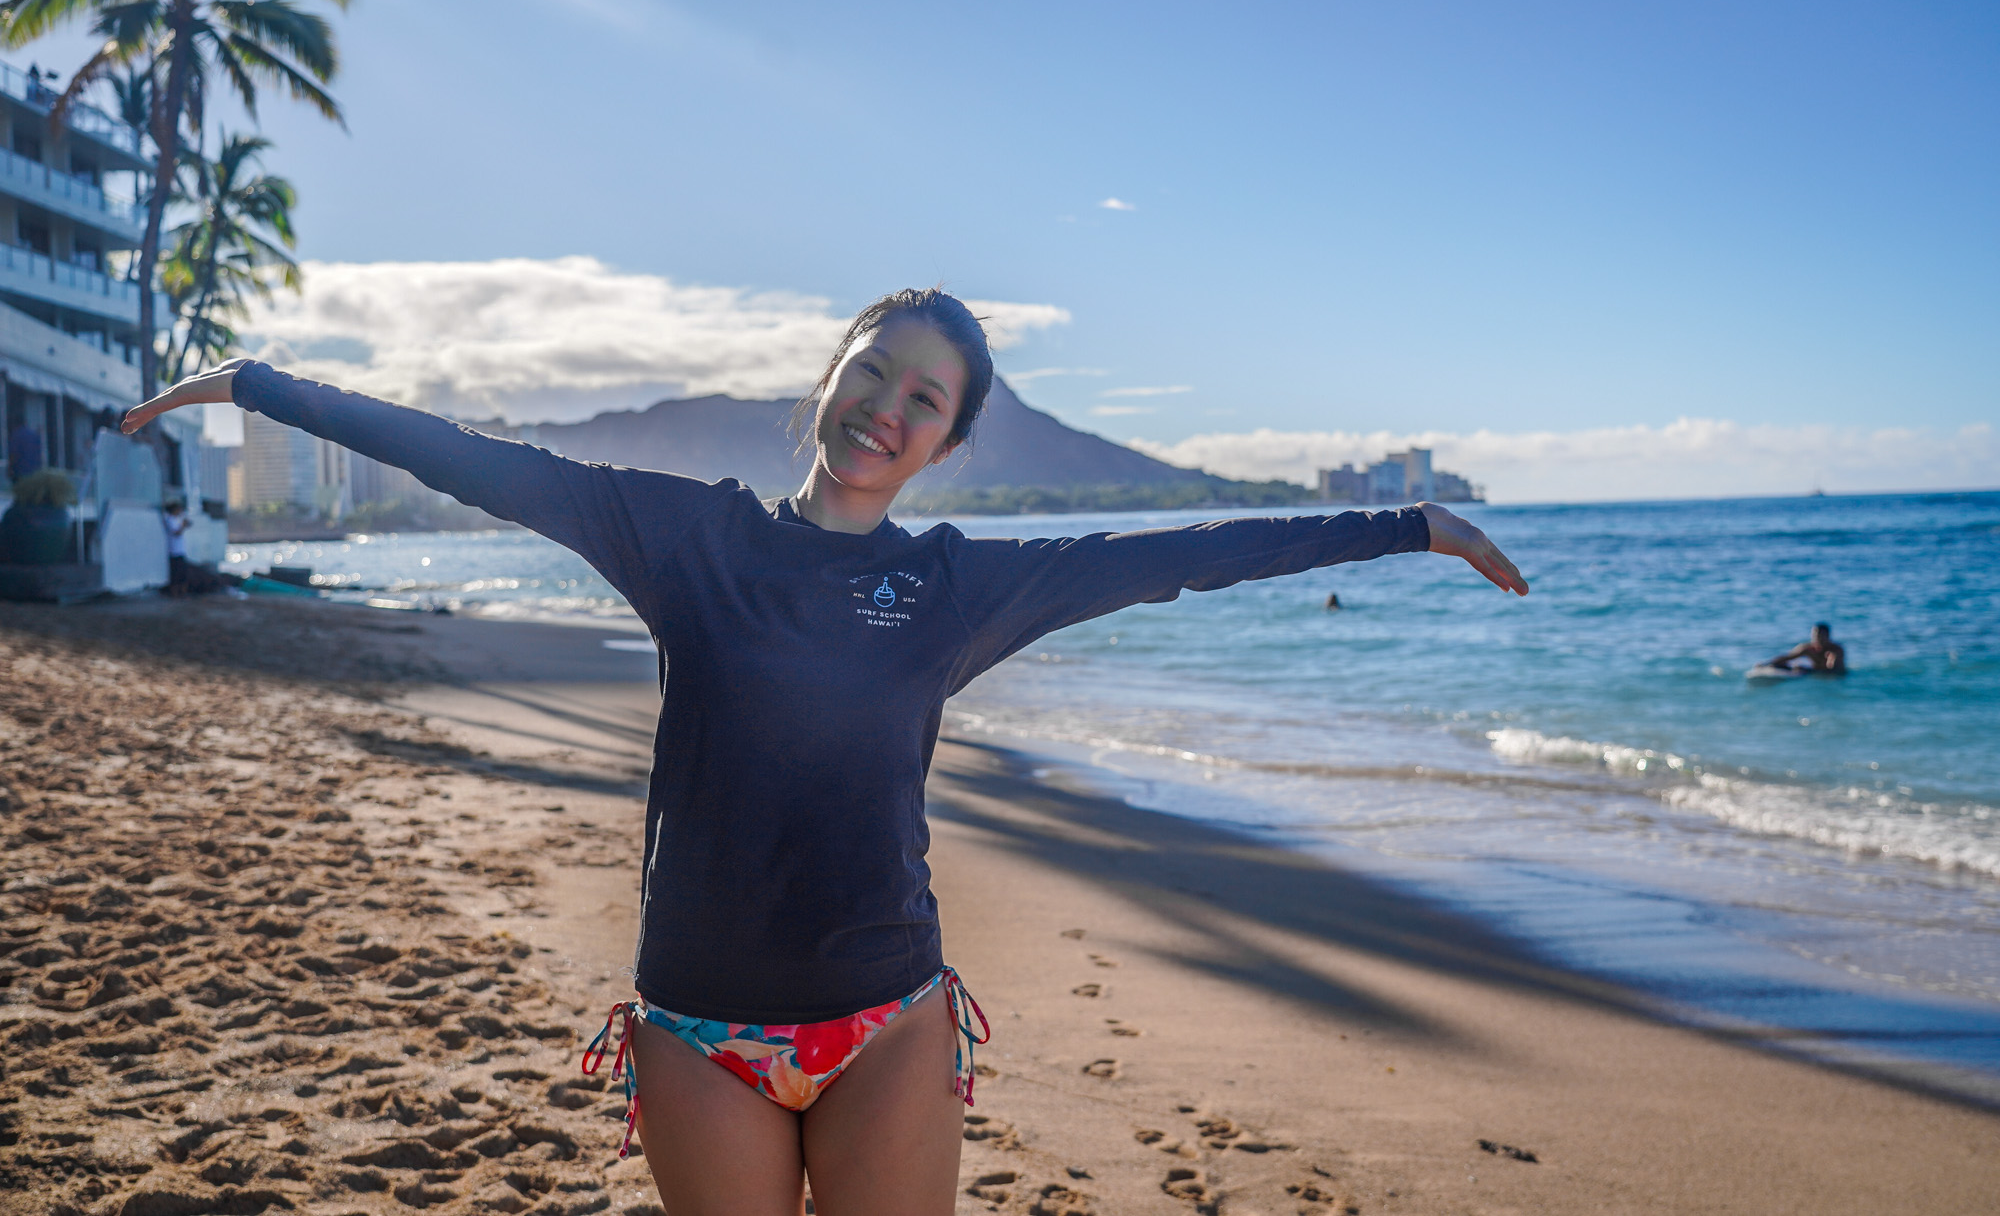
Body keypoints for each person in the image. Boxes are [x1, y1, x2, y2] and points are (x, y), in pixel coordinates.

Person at [122, 289, 1529, 1215]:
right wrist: (251, 382)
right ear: (831, 375)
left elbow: (1172, 557)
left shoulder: (956, 587)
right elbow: (468, 456)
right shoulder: (686, 537)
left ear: (947, 443)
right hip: (697, 1031)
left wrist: (1409, 526)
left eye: (927, 402)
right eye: (876, 373)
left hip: (887, 1024)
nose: (888, 410)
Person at [1764, 622, 1845, 675]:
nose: (1817, 639)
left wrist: (1806, 670)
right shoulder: (1808, 648)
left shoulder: (1835, 650)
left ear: (1827, 636)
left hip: (1833, 676)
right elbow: (1788, 657)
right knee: (1780, 664)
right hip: (1814, 672)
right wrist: (1766, 664)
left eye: (1820, 636)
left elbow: (1833, 671)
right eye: (1815, 636)